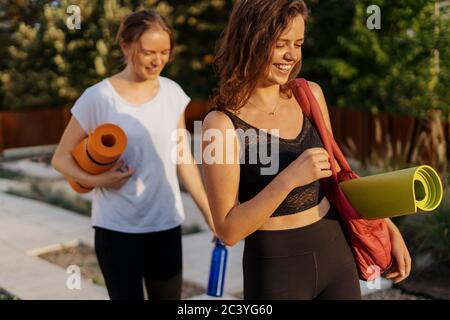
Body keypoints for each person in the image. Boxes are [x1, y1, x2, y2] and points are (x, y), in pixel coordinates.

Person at [202, 0, 411, 300]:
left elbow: (339, 175)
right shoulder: (221, 125)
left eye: (298, 43)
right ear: (250, 41)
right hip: (275, 269)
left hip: (334, 252)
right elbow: (228, 230)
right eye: (280, 44)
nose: (292, 55)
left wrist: (385, 224)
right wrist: (290, 179)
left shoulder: (308, 95)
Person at [52, 9, 214, 300]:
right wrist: (100, 179)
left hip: (165, 224)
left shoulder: (173, 93)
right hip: (116, 228)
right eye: (148, 52)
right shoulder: (98, 97)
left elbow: (183, 158)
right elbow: (60, 158)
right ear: (126, 47)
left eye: (165, 52)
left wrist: (209, 213)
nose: (158, 60)